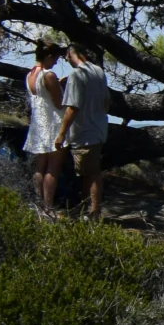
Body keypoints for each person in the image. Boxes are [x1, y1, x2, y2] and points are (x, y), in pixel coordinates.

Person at [54, 41, 114, 222]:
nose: (66, 59)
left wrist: (61, 133)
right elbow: (107, 102)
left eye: (67, 56)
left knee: (90, 173)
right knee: (91, 171)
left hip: (84, 131)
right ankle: (91, 210)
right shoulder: (99, 72)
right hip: (98, 127)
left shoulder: (77, 75)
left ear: (72, 54)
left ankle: (94, 212)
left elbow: (73, 107)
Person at [22, 39, 67, 215]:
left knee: (40, 166)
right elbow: (58, 103)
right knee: (53, 168)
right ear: (48, 56)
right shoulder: (48, 75)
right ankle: (49, 207)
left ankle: (39, 203)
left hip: (39, 123)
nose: (56, 63)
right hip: (54, 122)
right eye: (55, 59)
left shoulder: (30, 75)